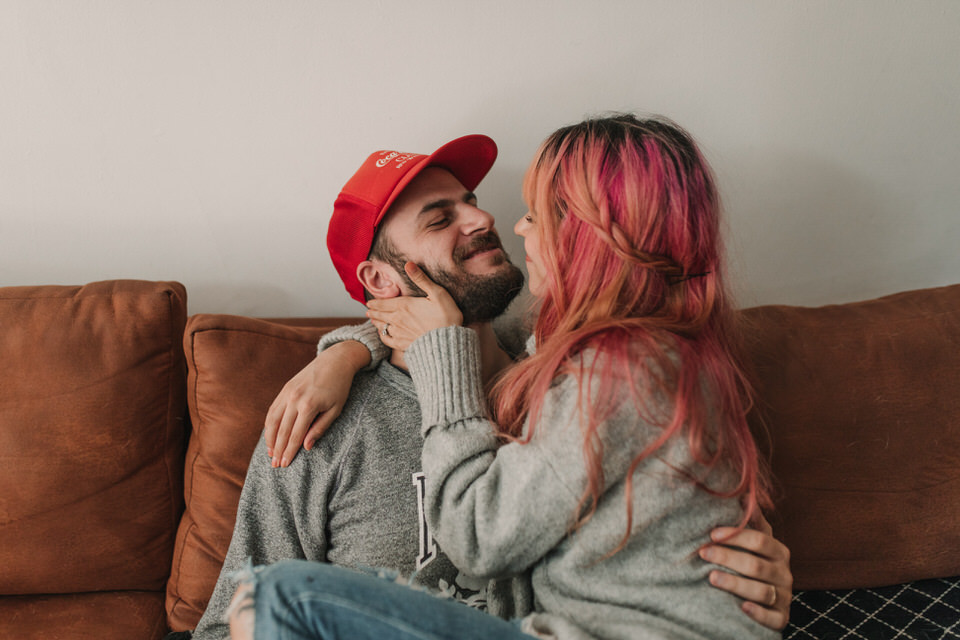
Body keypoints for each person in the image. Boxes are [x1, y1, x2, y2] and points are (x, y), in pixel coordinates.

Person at [228, 115, 789, 639]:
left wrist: (753, 571)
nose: (487, 219)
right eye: (440, 219)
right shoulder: (314, 423)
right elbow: (227, 624)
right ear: (379, 280)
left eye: (471, 203)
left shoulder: (570, 373)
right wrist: (351, 349)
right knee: (266, 597)